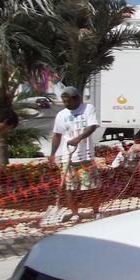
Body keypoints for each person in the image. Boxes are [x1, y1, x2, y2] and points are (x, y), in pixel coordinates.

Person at [49, 87, 100, 217]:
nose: (66, 104)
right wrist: (52, 154)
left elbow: (92, 126)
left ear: (77, 98)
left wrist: (79, 138)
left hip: (86, 156)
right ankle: (74, 213)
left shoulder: (88, 109)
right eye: (64, 101)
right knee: (70, 187)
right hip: (67, 157)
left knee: (91, 186)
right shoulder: (61, 115)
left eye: (68, 101)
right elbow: (57, 135)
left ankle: (96, 211)